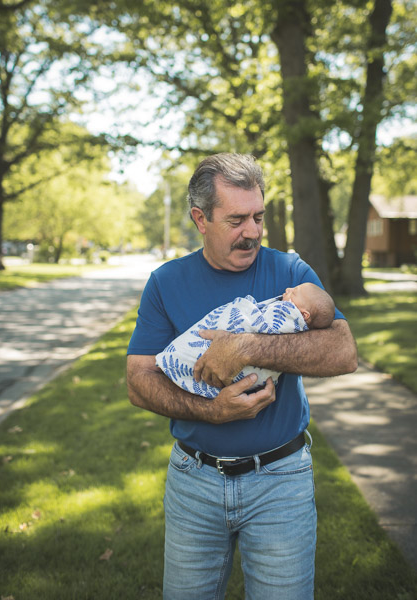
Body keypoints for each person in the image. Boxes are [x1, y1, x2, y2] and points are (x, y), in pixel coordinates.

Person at [127, 153, 357, 600]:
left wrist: (249, 345)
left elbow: (344, 352)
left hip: (280, 481)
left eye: (258, 216)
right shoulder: (165, 282)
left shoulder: (291, 273)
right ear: (200, 218)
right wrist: (211, 411)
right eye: (236, 220)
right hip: (193, 482)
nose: (251, 231)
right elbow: (138, 380)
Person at [156, 282, 336, 398]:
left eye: (294, 292)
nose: (287, 289)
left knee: (194, 352)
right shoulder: (163, 280)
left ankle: (175, 359)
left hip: (285, 453)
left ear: (303, 314)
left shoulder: (288, 313)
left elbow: (262, 324)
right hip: (190, 457)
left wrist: (243, 333)